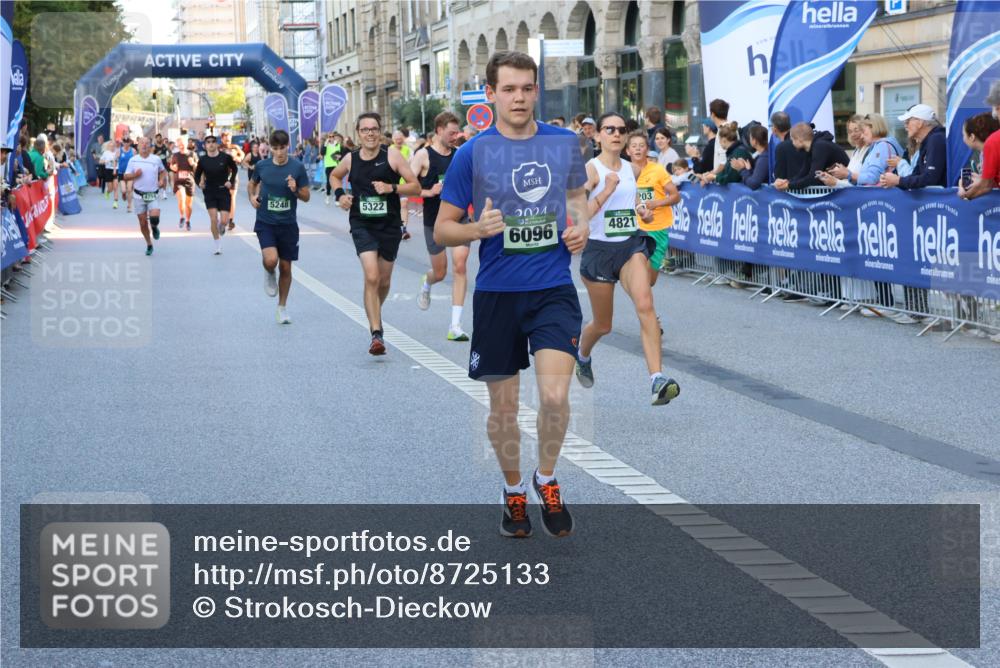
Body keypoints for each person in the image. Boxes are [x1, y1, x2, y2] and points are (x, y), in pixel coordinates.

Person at [435, 51, 590, 538]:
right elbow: (442, 230)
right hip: (498, 293)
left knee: (555, 394)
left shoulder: (564, 144)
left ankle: (546, 478)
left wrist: (580, 228)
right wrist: (475, 229)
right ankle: (512, 491)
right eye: (509, 89)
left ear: (536, 90)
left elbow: (576, 200)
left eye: (527, 88)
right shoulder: (472, 153)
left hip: (553, 289)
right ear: (491, 94)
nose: (519, 97)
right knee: (503, 409)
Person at [575, 113, 681, 408]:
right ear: (598, 136)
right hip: (598, 251)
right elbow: (578, 213)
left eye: (621, 130)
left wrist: (643, 212)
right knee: (603, 325)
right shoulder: (590, 170)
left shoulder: (633, 169)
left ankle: (657, 379)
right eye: (610, 129)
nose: (617, 134)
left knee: (645, 304)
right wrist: (606, 190)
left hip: (630, 245)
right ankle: (582, 356)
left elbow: (632, 203)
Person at [329, 112, 421, 354]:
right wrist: (340, 195)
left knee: (384, 280)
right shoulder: (350, 159)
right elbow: (335, 176)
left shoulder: (391, 156)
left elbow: (415, 186)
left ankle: (373, 312)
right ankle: (376, 333)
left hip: (389, 225)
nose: (370, 133)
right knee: (371, 276)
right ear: (358, 134)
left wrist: (391, 187)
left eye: (374, 129)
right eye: (365, 129)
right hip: (362, 223)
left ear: (380, 132)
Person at [411, 111, 471, 341]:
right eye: (451, 132)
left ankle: (455, 325)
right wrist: (429, 191)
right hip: (434, 221)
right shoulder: (423, 156)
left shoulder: (460, 154)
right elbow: (408, 184)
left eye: (457, 132)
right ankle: (427, 282)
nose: (456, 136)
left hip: (460, 219)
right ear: (438, 131)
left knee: (460, 266)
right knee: (440, 272)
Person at [247, 130, 311, 324]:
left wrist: (295, 189)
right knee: (271, 259)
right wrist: (252, 197)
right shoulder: (262, 165)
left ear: (287, 147)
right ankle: (268, 271)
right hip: (266, 221)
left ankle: (282, 307)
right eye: (275, 148)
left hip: (288, 224)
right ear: (270, 149)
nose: (279, 152)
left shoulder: (297, 167)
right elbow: (252, 184)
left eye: (282, 148)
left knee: (285, 266)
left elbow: (306, 196)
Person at [627, 130, 680, 284]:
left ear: (647, 149)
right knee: (639, 280)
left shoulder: (657, 170)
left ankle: (644, 304)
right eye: (634, 146)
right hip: (634, 229)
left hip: (657, 229)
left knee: (650, 281)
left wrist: (656, 203)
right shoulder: (622, 171)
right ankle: (643, 306)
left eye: (641, 146)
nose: (637, 149)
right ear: (627, 150)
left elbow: (676, 196)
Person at [879, 104, 947, 190]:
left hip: (940, 201)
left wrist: (898, 181)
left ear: (920, 123)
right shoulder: (928, 141)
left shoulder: (936, 139)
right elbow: (916, 174)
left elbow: (930, 179)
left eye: (908, 121)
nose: (905, 126)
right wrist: (892, 180)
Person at [121, 137, 167, 256]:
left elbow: (163, 171)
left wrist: (161, 180)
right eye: (142, 143)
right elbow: (125, 177)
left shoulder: (156, 159)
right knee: (142, 223)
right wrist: (135, 175)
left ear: (150, 146)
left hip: (152, 194)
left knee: (155, 217)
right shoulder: (133, 160)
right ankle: (149, 244)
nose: (145, 145)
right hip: (138, 195)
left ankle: (155, 227)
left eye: (147, 143)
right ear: (138, 146)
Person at [194, 135, 239, 255]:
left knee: (224, 220)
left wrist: (231, 180)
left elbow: (234, 169)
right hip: (209, 191)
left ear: (217, 144)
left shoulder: (225, 157)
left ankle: (222, 225)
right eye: (208, 142)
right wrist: (199, 183)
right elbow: (197, 175)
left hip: (223, 190)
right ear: (205, 145)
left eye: (213, 142)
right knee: (213, 219)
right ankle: (218, 245)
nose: (211, 144)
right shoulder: (203, 160)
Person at [774, 123, 849, 191]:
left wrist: (788, 185)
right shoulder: (811, 148)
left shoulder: (820, 146)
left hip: (846, 187)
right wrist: (787, 182)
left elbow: (813, 177)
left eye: (793, 140)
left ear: (799, 139)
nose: (792, 143)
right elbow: (803, 172)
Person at [958, 111, 1000, 201]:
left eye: (963, 135)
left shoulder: (991, 147)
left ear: (972, 137)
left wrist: (966, 195)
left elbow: (987, 185)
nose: (963, 139)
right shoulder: (982, 153)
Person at [770, 110, 808, 183]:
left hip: (793, 191)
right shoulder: (804, 139)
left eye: (771, 126)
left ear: (774, 128)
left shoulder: (782, 147)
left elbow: (779, 177)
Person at [731, 124, 770, 190]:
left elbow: (754, 184)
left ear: (754, 141)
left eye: (750, 137)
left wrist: (741, 170)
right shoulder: (764, 155)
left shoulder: (764, 158)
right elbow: (758, 178)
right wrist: (749, 170)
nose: (749, 140)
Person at [219, 131, 245, 230]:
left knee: (232, 198)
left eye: (229, 137)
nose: (227, 139)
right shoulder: (218, 148)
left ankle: (230, 220)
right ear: (222, 139)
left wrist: (236, 157)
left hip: (233, 175)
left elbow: (242, 156)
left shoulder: (235, 147)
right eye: (225, 137)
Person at [392, 129, 414, 240]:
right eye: (396, 139)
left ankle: (403, 228)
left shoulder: (407, 150)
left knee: (404, 205)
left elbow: (411, 165)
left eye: (400, 139)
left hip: (403, 183)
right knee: (392, 205)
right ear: (393, 140)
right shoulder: (388, 150)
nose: (399, 141)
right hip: (390, 183)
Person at [169, 142, 196, 230]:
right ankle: (182, 217)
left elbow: (198, 167)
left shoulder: (192, 154)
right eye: (179, 144)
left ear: (186, 144)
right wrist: (173, 168)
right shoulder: (175, 155)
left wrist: (193, 164)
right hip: (179, 181)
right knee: (181, 198)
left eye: (183, 143)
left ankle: (188, 221)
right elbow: (171, 166)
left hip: (189, 181)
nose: (181, 145)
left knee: (189, 204)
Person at [115, 138, 135, 211]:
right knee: (124, 190)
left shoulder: (133, 151)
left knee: (129, 189)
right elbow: (115, 160)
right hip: (121, 173)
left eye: (127, 142)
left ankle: (129, 205)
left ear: (129, 143)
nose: (126, 143)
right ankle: (123, 194)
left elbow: (136, 160)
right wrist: (114, 169)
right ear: (122, 143)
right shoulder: (119, 150)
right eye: (124, 142)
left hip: (130, 173)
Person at [322, 133, 343, 205]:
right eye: (329, 136)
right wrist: (325, 144)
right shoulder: (326, 145)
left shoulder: (338, 145)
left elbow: (341, 154)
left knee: (338, 181)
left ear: (334, 137)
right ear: (328, 138)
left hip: (337, 165)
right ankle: (327, 196)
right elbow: (322, 153)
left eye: (332, 136)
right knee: (329, 182)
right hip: (328, 166)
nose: (331, 138)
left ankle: (337, 199)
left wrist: (339, 156)